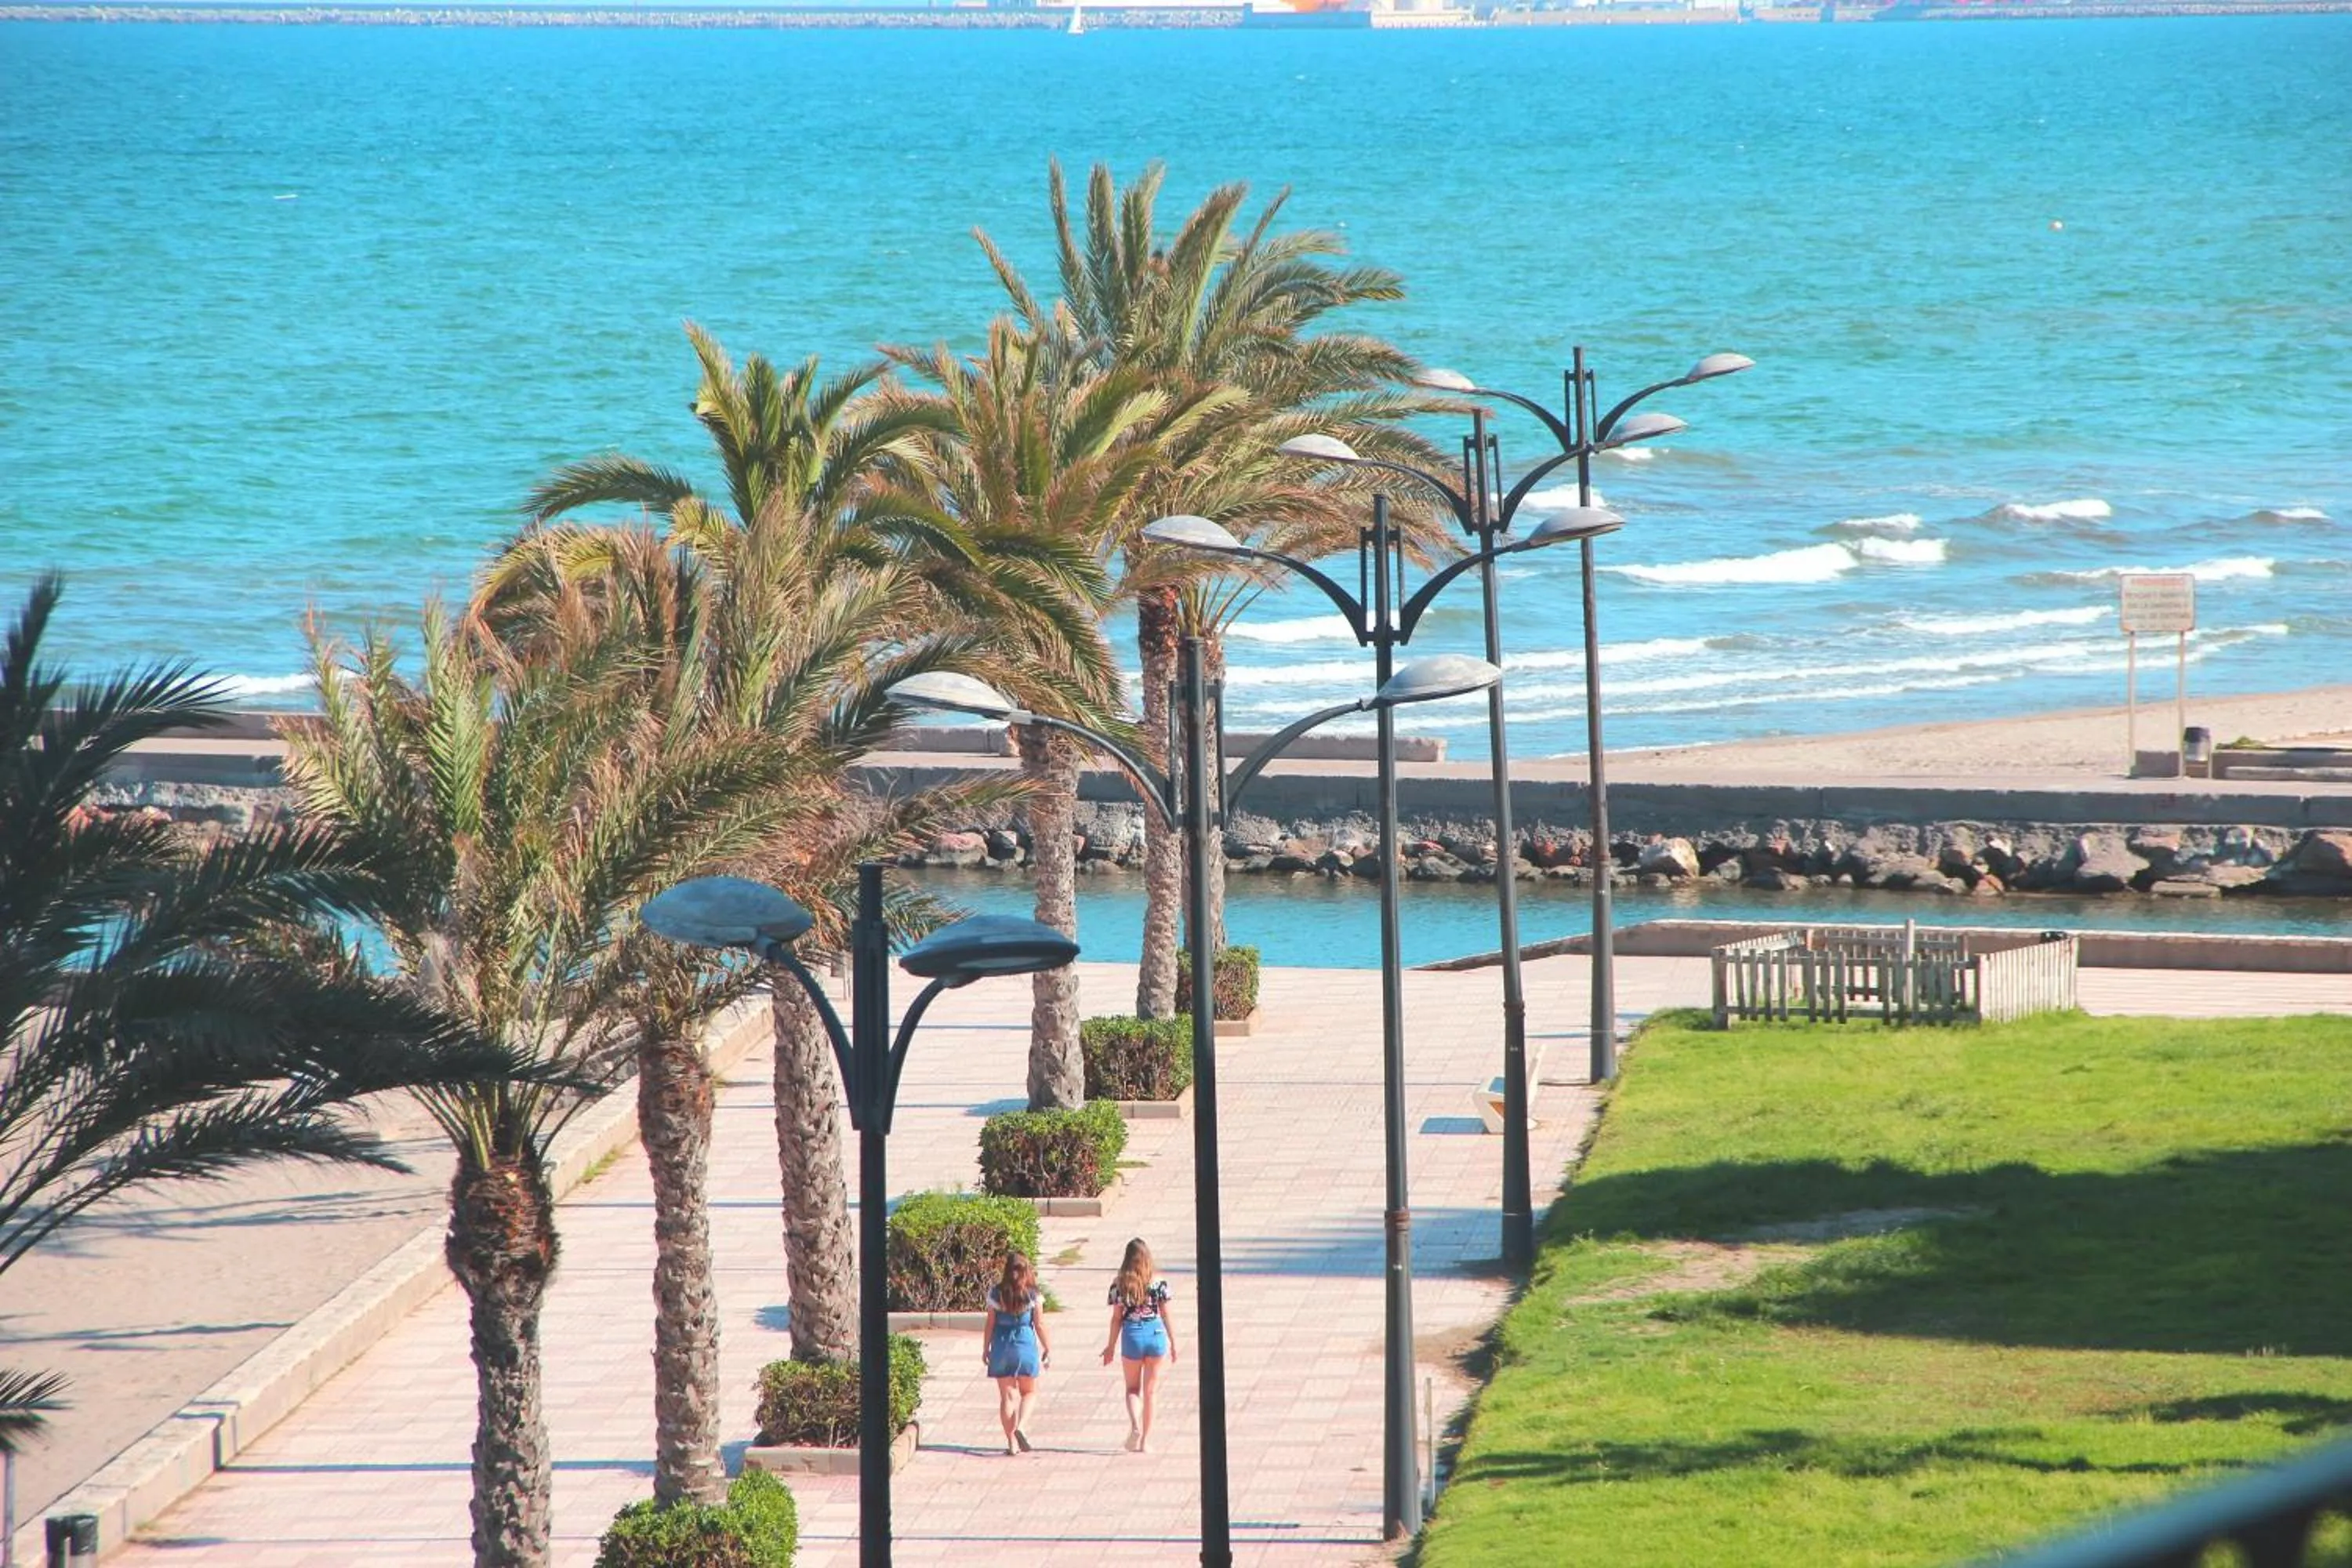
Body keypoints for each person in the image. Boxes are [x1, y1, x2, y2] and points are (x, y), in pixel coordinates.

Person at [1101, 1236, 1176, 1454]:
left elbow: (1116, 1318)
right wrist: (1173, 1342)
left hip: (1132, 1335)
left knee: (1132, 1389)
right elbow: (1166, 1314)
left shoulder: (1119, 1284)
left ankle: (1135, 1426)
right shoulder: (1158, 1282)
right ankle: (1145, 1441)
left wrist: (1110, 1347)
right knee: (1151, 1392)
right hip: (1155, 1334)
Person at [982, 1251, 1050, 1455]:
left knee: (1007, 1397)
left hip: (1001, 1345)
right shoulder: (1032, 1294)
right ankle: (1022, 1426)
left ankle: (1012, 1443)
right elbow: (1039, 1324)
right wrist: (1048, 1347)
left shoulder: (996, 1293)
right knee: (1029, 1392)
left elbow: (990, 1323)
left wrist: (986, 1348)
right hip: (1024, 1343)